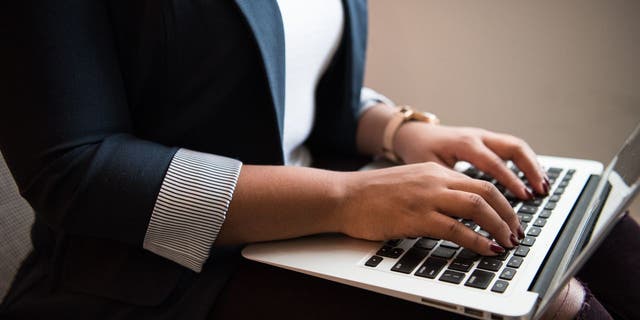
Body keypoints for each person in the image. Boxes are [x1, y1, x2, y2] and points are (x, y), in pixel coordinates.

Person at [0, 1, 637, 319]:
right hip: (159, 272)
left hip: (323, 221)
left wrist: (399, 130)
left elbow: (282, 86)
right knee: (552, 304)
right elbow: (74, 168)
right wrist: (345, 199)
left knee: (597, 233)